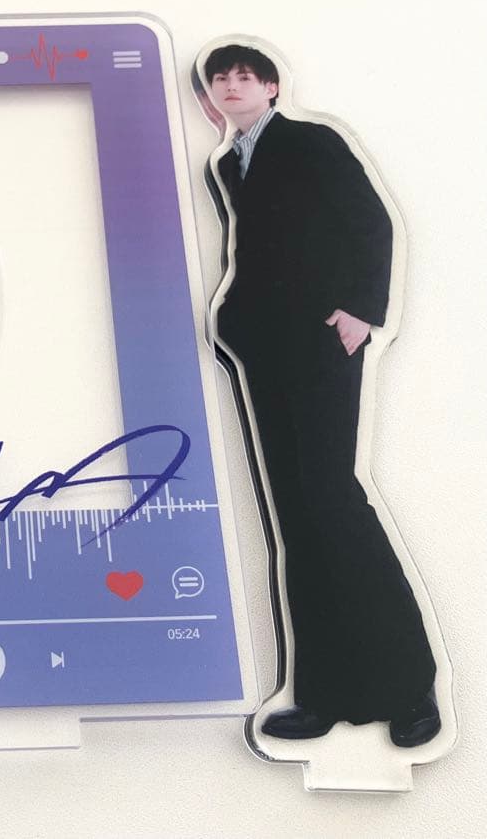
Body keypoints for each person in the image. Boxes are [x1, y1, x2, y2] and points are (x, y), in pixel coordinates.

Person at [203, 44, 440, 747]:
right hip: (264, 346)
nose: (231, 85)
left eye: (244, 76)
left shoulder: (312, 140)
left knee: (334, 501)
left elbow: (372, 221)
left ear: (271, 87)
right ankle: (324, 693)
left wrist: (361, 311)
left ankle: (409, 687)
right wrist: (230, 321)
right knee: (297, 520)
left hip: (322, 339)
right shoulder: (229, 163)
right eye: (219, 78)